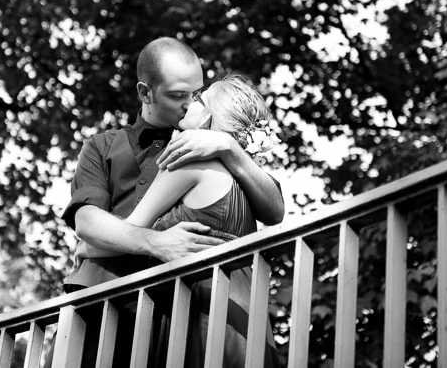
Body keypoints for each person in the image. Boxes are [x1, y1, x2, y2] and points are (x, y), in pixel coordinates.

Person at [60, 37, 284, 365]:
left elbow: (274, 209)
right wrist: (156, 242)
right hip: (100, 312)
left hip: (175, 314)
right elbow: (87, 223)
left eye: (197, 94)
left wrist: (228, 147)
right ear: (145, 93)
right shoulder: (101, 146)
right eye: (179, 95)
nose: (189, 103)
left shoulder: (212, 151)